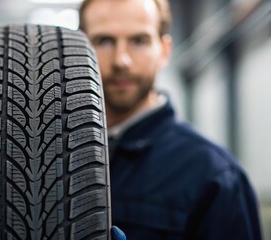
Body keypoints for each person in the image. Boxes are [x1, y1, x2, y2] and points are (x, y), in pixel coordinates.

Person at [78, 0, 263, 239]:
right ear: (79, 51)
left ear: (164, 51)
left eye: (139, 41)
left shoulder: (215, 176)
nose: (121, 60)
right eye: (104, 41)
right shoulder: (54, 158)